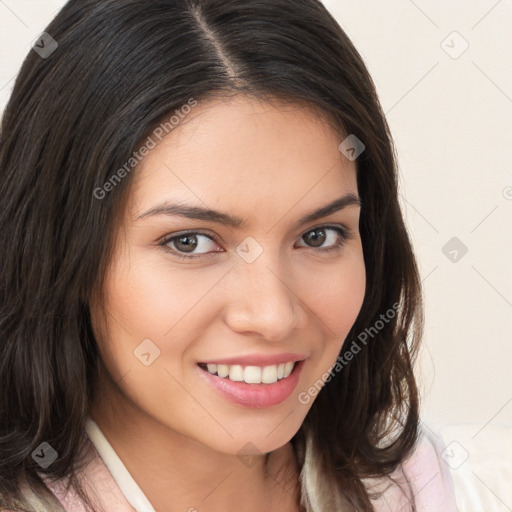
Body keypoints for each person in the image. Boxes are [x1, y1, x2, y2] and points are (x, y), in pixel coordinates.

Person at [0, 0, 458, 510]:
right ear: (60, 248)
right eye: (189, 242)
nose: (273, 316)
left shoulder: (421, 483)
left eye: (319, 235)